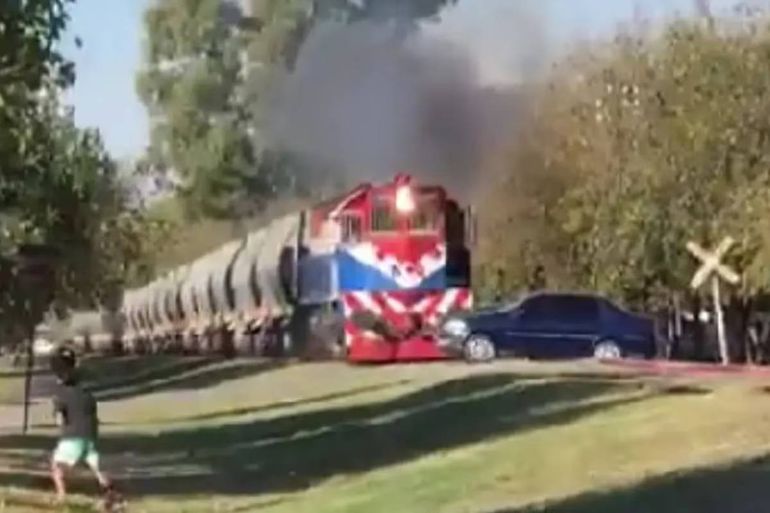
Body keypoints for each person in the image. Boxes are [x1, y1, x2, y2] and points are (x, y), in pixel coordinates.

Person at [49, 347, 114, 506]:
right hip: (90, 436)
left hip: (72, 436)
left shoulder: (60, 394)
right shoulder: (86, 392)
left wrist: (60, 425)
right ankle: (110, 495)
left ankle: (61, 497)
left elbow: (59, 419)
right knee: (98, 469)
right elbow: (94, 416)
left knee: (56, 466)